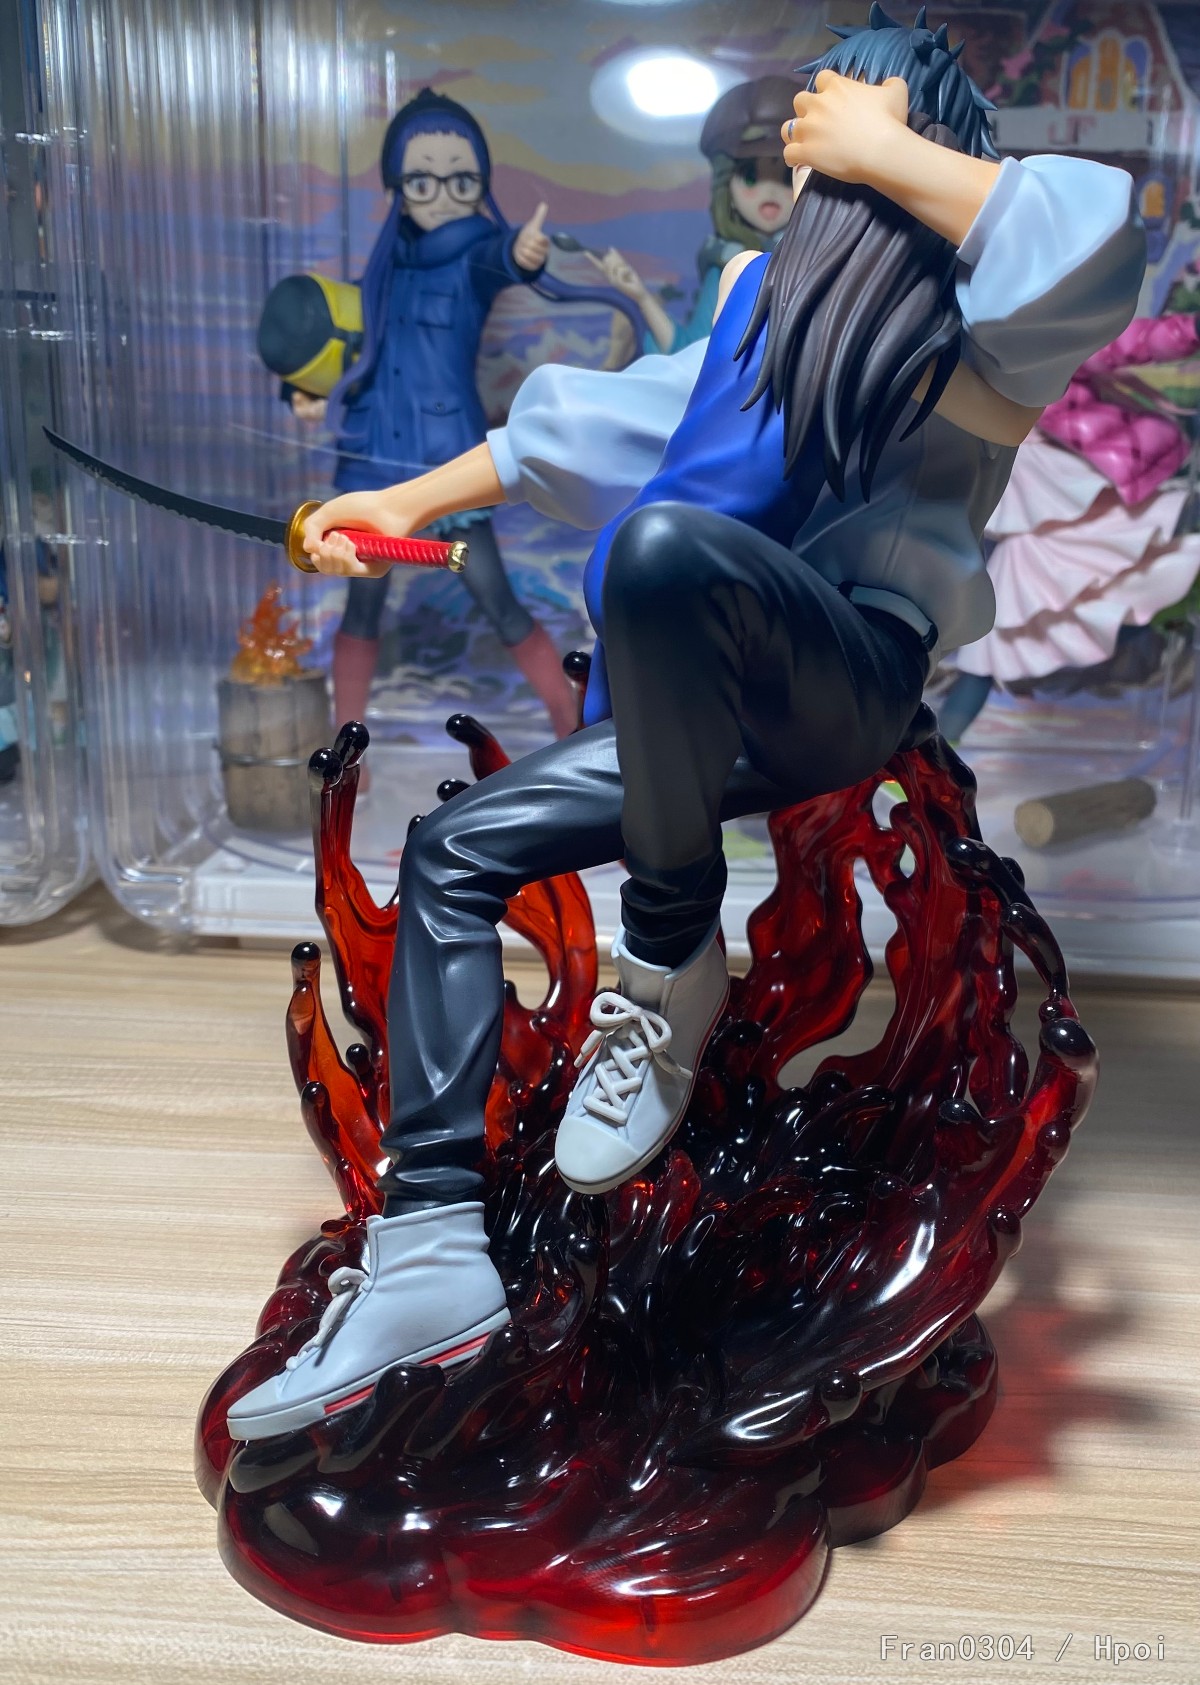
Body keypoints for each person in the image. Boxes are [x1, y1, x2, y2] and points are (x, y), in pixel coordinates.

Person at [227, 6, 1145, 1443]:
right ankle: (428, 1258)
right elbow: (588, 426)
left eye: (843, 109)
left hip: (845, 673)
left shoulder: (974, 315)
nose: (810, 131)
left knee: (661, 553)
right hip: (690, 703)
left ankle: (668, 961)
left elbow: (1093, 240)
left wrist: (894, 153)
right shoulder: (757, 311)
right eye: (821, 113)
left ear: (908, 134)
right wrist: (401, 502)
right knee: (456, 853)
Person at [294, 87, 578, 747]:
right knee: (361, 605)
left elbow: (501, 260)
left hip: (448, 462)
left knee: (497, 599)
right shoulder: (385, 265)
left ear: (481, 185)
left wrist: (523, 254)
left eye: (461, 180)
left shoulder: (474, 250)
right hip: (373, 454)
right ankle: (347, 747)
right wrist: (307, 391)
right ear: (398, 186)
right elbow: (353, 343)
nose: (443, 195)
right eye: (423, 180)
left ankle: (569, 723)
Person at [591, 75, 800, 356]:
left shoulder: (817, 254)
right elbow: (692, 351)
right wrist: (641, 297)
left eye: (787, 177)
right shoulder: (726, 265)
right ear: (727, 187)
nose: (770, 191)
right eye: (750, 177)